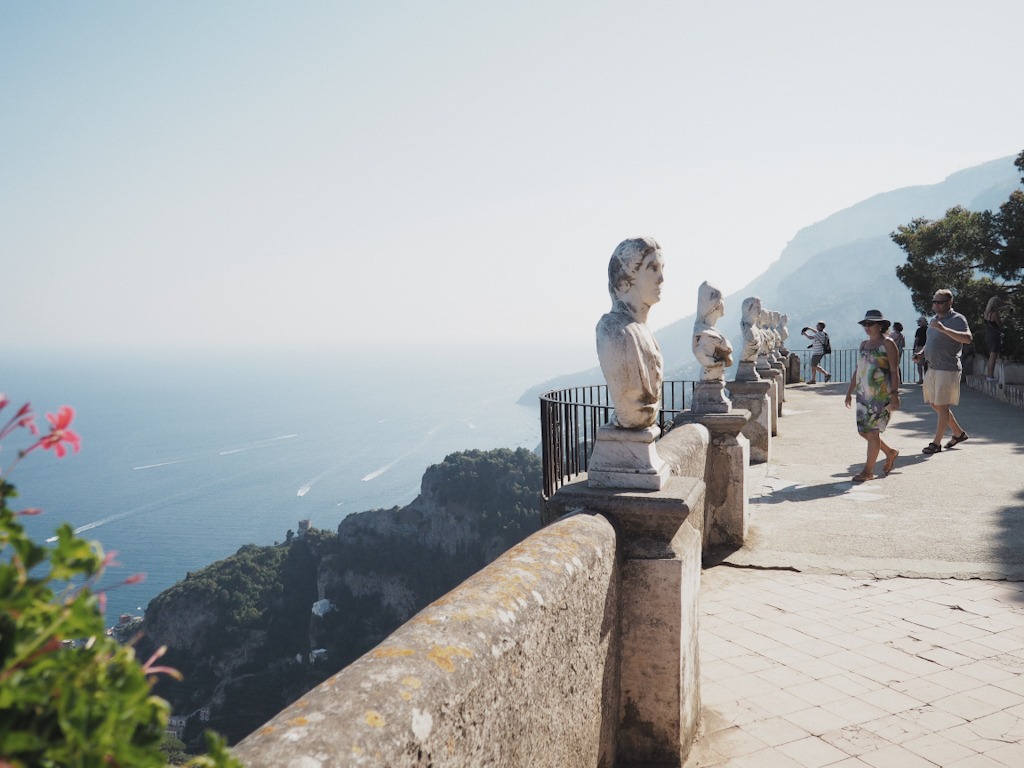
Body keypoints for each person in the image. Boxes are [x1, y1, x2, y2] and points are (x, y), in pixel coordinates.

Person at [596, 237, 664, 429]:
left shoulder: (643, 331)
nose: (661, 278)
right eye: (653, 268)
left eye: (662, 268)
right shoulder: (613, 331)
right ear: (628, 276)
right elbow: (634, 413)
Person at [844, 310, 901, 482]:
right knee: (864, 432)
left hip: (881, 395)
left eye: (870, 324)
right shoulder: (863, 345)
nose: (867, 327)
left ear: (880, 325)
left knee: (873, 433)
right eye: (865, 324)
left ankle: (868, 471)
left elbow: (894, 370)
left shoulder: (888, 344)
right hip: (863, 395)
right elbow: (858, 370)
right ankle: (890, 452)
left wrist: (895, 394)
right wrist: (849, 392)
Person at [921, 288, 972, 454]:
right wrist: (921, 354)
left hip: (947, 368)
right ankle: (958, 433)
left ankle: (936, 443)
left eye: (939, 302)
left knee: (942, 405)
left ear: (949, 303)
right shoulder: (934, 319)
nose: (935, 305)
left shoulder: (958, 319)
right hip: (933, 367)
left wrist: (944, 329)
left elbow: (967, 339)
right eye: (934, 301)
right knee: (933, 402)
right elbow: (931, 340)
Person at [983, 295, 1003, 381]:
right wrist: (1007, 317)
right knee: (993, 357)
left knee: (990, 356)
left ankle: (989, 375)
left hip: (988, 335)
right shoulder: (995, 314)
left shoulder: (986, 313)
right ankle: (990, 376)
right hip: (995, 336)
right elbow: (1000, 324)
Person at [912, 316, 928, 383]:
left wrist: (914, 348)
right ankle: (927, 378)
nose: (918, 323)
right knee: (926, 364)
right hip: (928, 347)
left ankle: (921, 379)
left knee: (919, 364)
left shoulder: (919, 330)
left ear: (923, 322)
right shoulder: (929, 329)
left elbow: (917, 339)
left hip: (919, 348)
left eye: (919, 321)